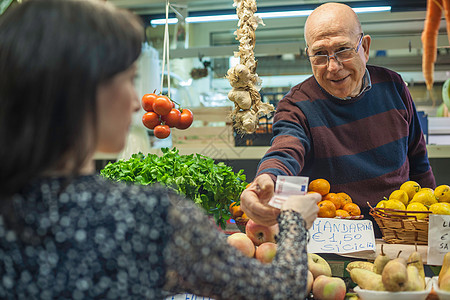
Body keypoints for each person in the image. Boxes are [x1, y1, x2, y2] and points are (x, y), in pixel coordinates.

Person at [0, 0, 321, 299]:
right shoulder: (150, 218)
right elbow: (280, 290)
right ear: (80, 93)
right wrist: (294, 221)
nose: (133, 101)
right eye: (128, 79)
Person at [241, 2, 436, 229]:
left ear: (364, 47)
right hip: (332, 239)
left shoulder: (394, 87)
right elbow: (285, 151)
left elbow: (419, 164)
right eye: (320, 54)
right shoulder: (296, 105)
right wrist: (267, 179)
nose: (333, 66)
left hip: (397, 232)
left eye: (343, 50)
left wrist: (430, 229)